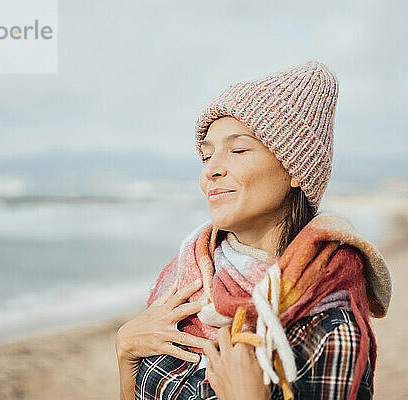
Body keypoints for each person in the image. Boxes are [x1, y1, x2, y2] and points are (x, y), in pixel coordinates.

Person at [116, 61, 392, 400]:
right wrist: (125, 354)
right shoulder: (185, 283)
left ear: (295, 170)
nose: (211, 170)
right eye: (206, 156)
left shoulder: (328, 329)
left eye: (238, 150)